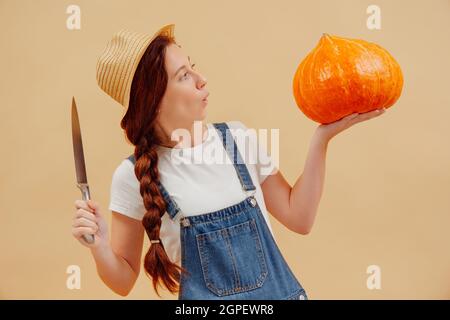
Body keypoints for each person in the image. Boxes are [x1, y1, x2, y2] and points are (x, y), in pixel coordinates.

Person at [72, 24, 386, 299]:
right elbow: (123, 281)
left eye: (193, 67)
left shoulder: (237, 139)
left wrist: (322, 139)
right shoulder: (131, 176)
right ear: (153, 101)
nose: (201, 79)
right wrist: (98, 245)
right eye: (184, 76)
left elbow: (300, 218)